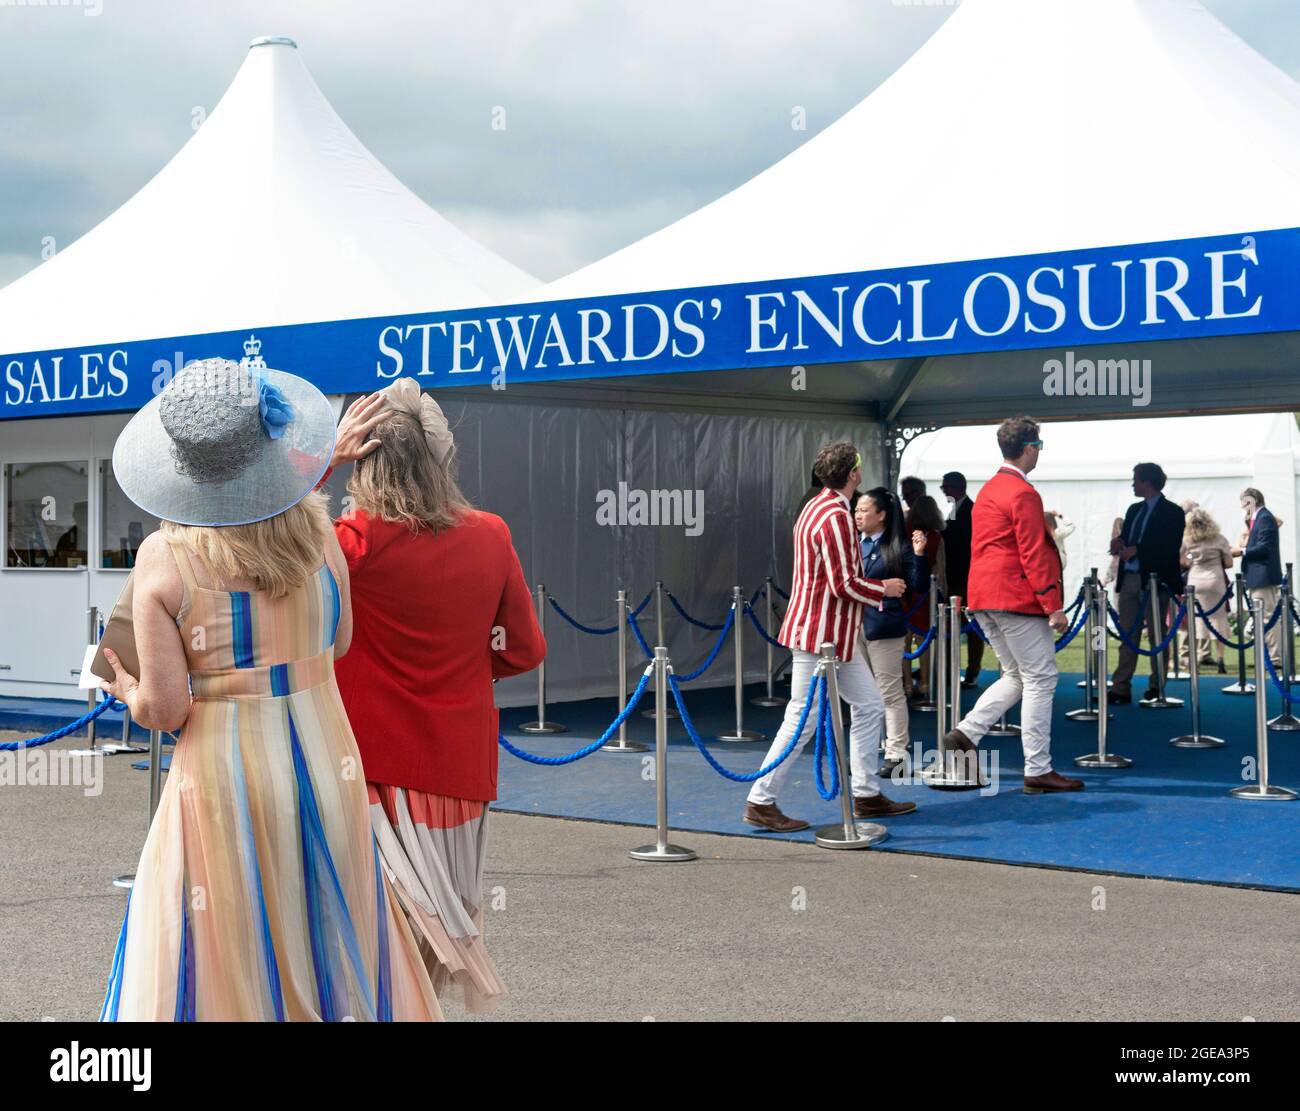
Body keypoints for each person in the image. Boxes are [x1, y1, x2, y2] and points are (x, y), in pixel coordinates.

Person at [98, 358, 441, 1020]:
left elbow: (167, 709)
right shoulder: (320, 531)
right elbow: (335, 645)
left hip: (223, 781)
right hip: (324, 764)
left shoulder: (165, 560)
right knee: (325, 939)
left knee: (225, 953)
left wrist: (127, 692)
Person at [324, 379, 545, 1012]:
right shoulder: (491, 534)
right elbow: (524, 649)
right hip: (458, 767)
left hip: (370, 767)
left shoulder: (351, 543)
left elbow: (271, 540)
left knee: (373, 929)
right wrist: (467, 667)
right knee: (435, 931)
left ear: (361, 462)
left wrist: (321, 466)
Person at [744, 442, 914, 832]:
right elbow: (844, 584)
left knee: (867, 706)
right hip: (824, 634)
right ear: (854, 473)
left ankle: (866, 793)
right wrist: (883, 589)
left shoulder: (816, 507)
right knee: (802, 719)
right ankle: (761, 798)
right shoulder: (834, 515)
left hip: (830, 633)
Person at [941, 416, 1082, 794]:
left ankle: (967, 732)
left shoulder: (990, 489)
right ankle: (1037, 768)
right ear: (1030, 447)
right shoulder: (1023, 493)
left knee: (1017, 675)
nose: (1039, 452)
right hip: (1015, 597)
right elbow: (1033, 552)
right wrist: (1053, 605)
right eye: (1039, 445)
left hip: (984, 596)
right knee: (1040, 679)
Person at [855, 489, 929, 776]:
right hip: (855, 627)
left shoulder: (897, 546)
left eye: (864, 510)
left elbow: (917, 584)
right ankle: (862, 751)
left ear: (882, 515)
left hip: (884, 628)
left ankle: (896, 753)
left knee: (889, 693)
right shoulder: (853, 544)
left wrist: (920, 554)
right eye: (857, 510)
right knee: (860, 694)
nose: (857, 515)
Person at [1108, 463, 1185, 704]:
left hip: (1155, 580)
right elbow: (1129, 536)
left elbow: (1169, 546)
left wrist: (1137, 550)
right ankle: (1121, 687)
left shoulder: (1173, 512)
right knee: (1128, 634)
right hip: (1129, 578)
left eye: (1136, 479)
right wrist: (1119, 542)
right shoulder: (1133, 510)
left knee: (1157, 634)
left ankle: (1157, 685)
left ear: (1147, 482)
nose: (1133, 484)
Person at [941, 471, 984, 688]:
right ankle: (952, 669)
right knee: (952, 626)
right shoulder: (955, 511)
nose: (943, 490)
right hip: (953, 578)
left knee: (973, 627)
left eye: (946, 487)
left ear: (957, 488)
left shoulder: (971, 510)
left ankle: (972, 670)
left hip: (966, 578)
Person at [1232, 487, 1283, 667]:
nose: (1242, 506)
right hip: (1257, 575)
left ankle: (1275, 658)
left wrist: (1241, 551)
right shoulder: (1260, 519)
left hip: (1263, 575)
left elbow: (1264, 548)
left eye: (1243, 502)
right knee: (1262, 618)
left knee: (1267, 618)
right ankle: (1268, 656)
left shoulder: (1265, 519)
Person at [903, 494, 946, 702]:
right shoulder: (937, 536)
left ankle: (907, 684)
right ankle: (925, 683)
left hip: (905, 591)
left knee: (904, 642)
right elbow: (940, 568)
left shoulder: (904, 532)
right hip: (926, 593)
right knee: (924, 641)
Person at [1180, 507, 1233, 673]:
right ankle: (1221, 660)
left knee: (1196, 621)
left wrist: (1193, 561)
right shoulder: (1219, 539)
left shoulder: (1187, 540)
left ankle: (1194, 661)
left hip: (1196, 582)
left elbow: (1182, 562)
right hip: (1215, 581)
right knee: (1218, 620)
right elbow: (1229, 563)